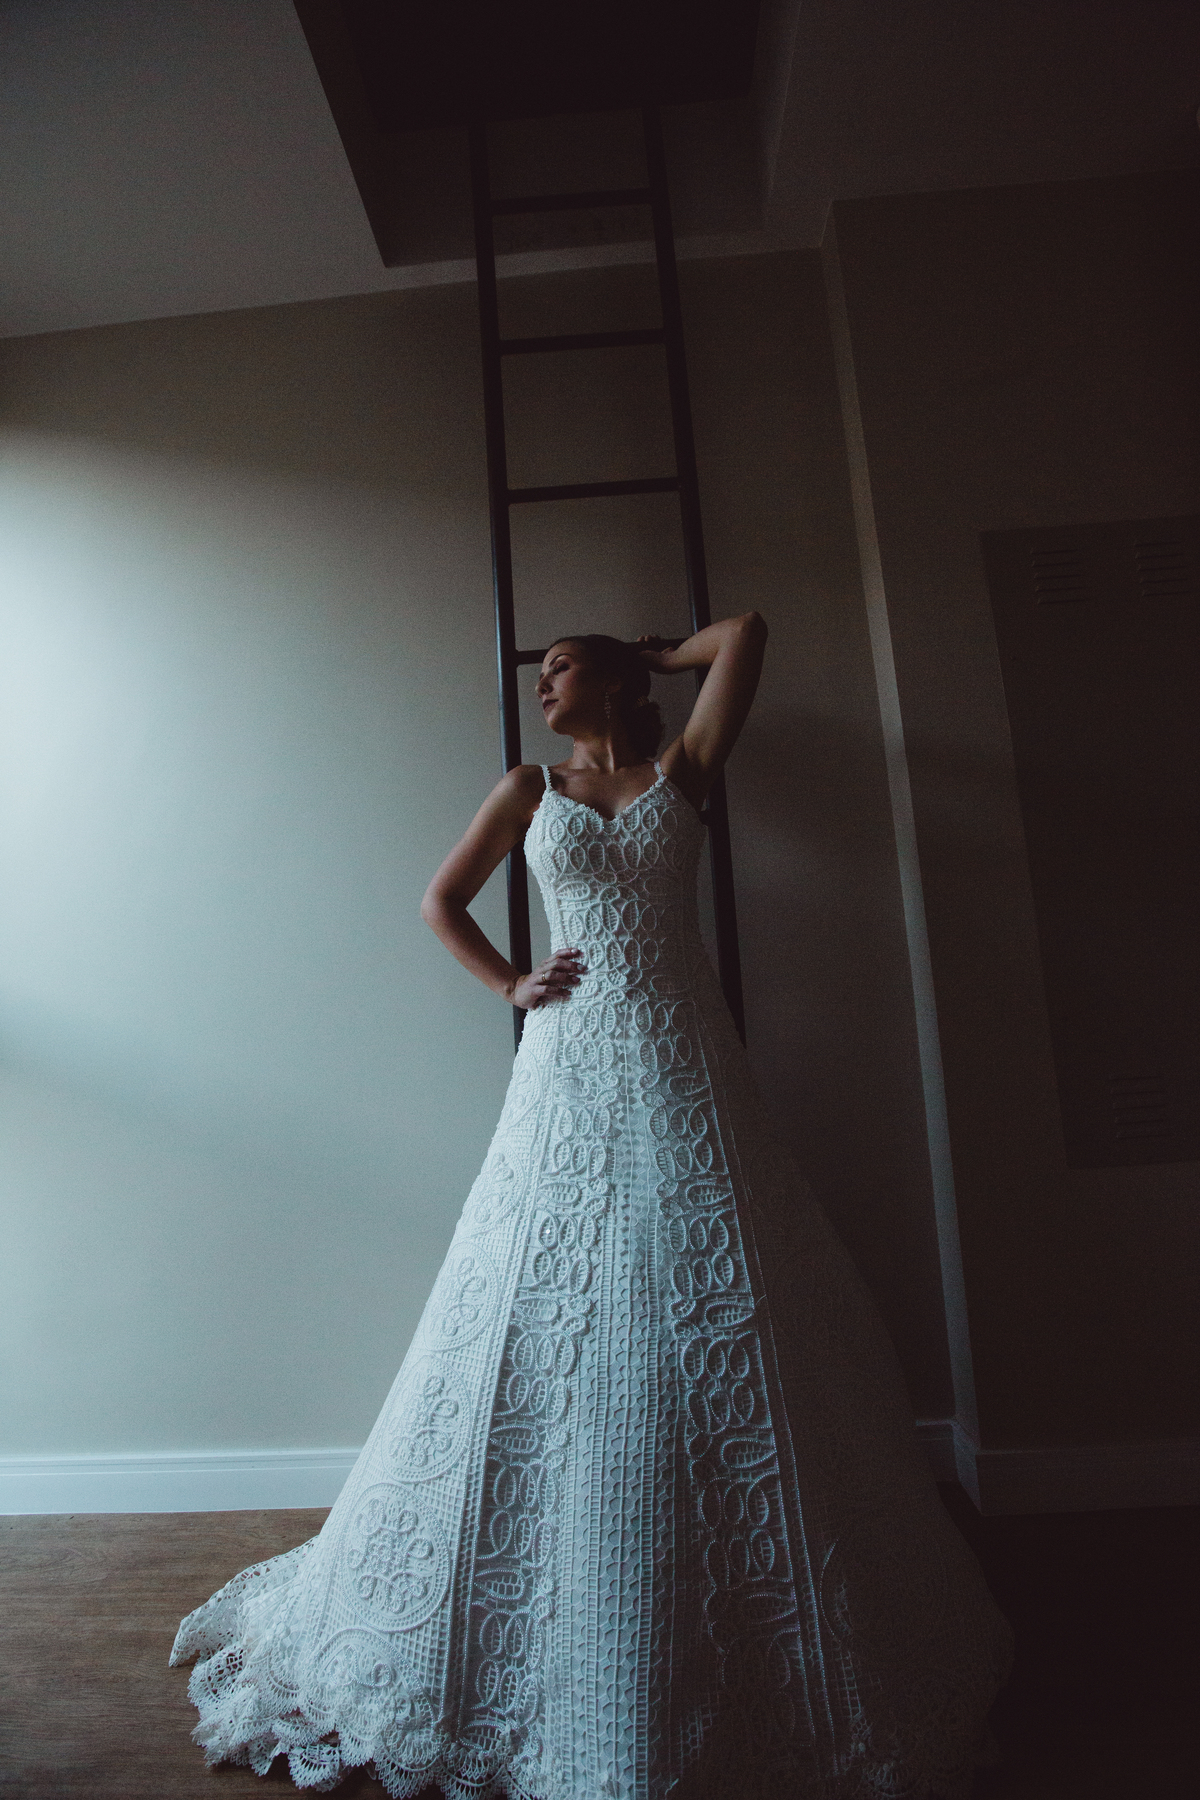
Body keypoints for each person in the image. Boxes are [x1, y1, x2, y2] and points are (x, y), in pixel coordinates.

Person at [171, 615, 1011, 1800]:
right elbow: (438, 903)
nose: (544, 681)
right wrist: (514, 983)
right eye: (543, 668)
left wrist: (662, 657)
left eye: (564, 662)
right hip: (568, 1067)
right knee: (538, 1289)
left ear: (612, 674)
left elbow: (751, 636)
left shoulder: (685, 773)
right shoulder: (529, 786)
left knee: (726, 1291)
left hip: (687, 1066)